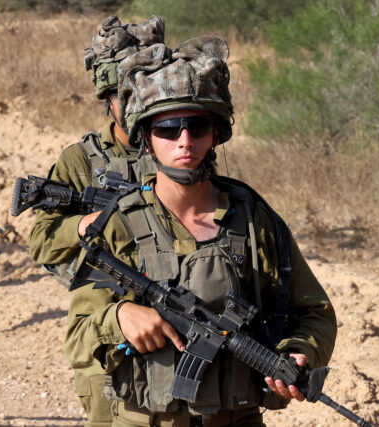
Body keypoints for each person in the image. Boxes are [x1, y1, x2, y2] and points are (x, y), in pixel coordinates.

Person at [65, 36, 337, 426]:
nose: (185, 141)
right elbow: (77, 335)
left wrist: (299, 350)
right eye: (168, 129)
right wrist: (121, 316)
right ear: (145, 137)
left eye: (197, 126)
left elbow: (315, 311)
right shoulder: (119, 223)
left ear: (216, 133)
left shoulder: (255, 219)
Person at [28, 16, 164, 427]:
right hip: (102, 329)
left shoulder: (179, 149)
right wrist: (83, 225)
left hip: (169, 324)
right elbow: (42, 241)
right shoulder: (81, 160)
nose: (138, 109)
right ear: (107, 98)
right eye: (126, 97)